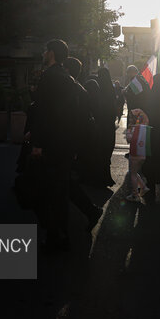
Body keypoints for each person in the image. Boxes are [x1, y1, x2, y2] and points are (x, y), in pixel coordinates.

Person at [30, 39, 78, 251]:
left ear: (51, 53)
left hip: (50, 144)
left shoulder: (48, 77)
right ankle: (61, 235)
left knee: (47, 192)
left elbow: (42, 113)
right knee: (60, 193)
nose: (43, 53)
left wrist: (38, 143)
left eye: (45, 50)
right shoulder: (68, 78)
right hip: (65, 143)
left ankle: (54, 237)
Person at [63, 57, 103, 231]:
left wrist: (74, 147)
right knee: (64, 182)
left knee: (64, 182)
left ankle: (90, 211)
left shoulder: (73, 90)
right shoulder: (78, 89)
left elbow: (74, 121)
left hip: (69, 142)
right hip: (74, 143)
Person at [96, 67, 117, 186]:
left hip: (100, 125)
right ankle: (106, 177)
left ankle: (100, 178)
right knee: (107, 152)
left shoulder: (99, 89)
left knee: (100, 152)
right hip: (109, 126)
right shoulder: (111, 89)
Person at [126, 108, 151, 201]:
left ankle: (135, 195)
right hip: (142, 153)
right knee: (135, 172)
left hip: (134, 153)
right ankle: (143, 187)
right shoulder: (145, 127)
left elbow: (129, 139)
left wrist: (128, 131)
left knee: (132, 173)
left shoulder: (132, 128)